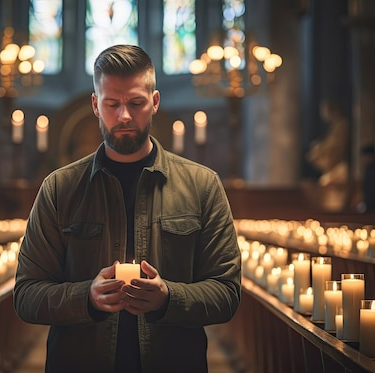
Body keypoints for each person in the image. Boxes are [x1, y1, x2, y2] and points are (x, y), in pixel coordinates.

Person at [13, 44, 242, 372]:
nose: (123, 116)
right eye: (112, 104)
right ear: (95, 105)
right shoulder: (59, 188)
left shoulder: (203, 185)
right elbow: (26, 295)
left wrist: (168, 298)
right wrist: (87, 298)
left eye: (136, 103)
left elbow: (227, 291)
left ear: (155, 102)